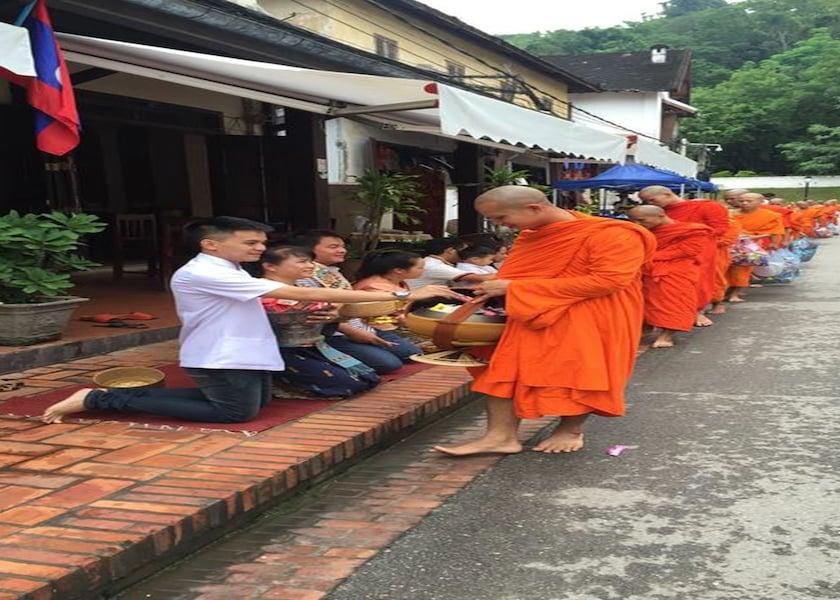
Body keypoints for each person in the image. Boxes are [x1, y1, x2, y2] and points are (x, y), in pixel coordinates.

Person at [42, 218, 456, 423]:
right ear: (211, 244)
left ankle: (111, 399)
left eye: (261, 242)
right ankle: (98, 399)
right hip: (218, 355)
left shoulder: (232, 271)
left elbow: (299, 302)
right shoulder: (204, 271)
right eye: (251, 242)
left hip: (249, 352)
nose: (260, 248)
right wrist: (398, 294)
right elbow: (300, 293)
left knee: (248, 406)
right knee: (235, 413)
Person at [434, 186, 655, 456]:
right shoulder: (533, 235)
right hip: (531, 310)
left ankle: (570, 430)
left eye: (501, 218)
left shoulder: (612, 234)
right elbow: (524, 273)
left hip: (593, 312)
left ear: (534, 208)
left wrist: (513, 288)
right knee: (504, 370)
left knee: (578, 372)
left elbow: (609, 281)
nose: (499, 226)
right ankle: (499, 437)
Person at [289, 230, 422, 374]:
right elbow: (317, 313)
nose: (342, 250)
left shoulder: (332, 271)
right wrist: (354, 332)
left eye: (342, 246)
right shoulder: (303, 275)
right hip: (334, 333)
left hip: (360, 325)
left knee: (411, 353)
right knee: (389, 364)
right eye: (333, 247)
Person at [258, 246, 379, 398]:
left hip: (313, 344)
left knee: (368, 377)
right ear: (270, 266)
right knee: (350, 384)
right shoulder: (259, 288)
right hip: (278, 349)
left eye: (310, 262)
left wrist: (333, 309)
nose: (310, 266)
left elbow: (337, 297)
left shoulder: (302, 286)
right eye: (302, 262)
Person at [638, 186, 726, 327]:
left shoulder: (706, 206)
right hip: (664, 249)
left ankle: (697, 311)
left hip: (698, 247)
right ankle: (662, 316)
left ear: (667, 194)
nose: (650, 203)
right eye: (646, 201)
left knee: (698, 280)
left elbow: (720, 229)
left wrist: (688, 231)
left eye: (652, 200)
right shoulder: (655, 213)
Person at [627, 206, 714, 348]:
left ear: (661, 215)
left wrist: (649, 257)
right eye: (633, 220)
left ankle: (667, 335)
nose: (637, 224)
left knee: (674, 301)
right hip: (646, 269)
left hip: (676, 270)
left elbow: (688, 250)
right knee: (644, 302)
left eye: (641, 220)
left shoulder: (693, 230)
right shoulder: (645, 231)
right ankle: (645, 328)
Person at [727, 193, 785, 303]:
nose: (744, 203)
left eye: (749, 201)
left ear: (760, 202)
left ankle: (735, 292)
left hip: (752, 246)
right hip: (731, 243)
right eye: (742, 201)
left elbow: (775, 231)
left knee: (742, 268)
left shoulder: (771, 215)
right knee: (727, 269)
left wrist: (773, 243)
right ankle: (726, 292)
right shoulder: (730, 214)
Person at [352, 249, 424, 332]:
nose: (424, 270)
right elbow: (374, 319)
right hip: (373, 330)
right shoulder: (374, 287)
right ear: (399, 270)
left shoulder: (398, 282)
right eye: (420, 268)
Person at [405, 238, 495, 288]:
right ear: (450, 251)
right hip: (417, 302)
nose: (467, 253)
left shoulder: (431, 261)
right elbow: (479, 278)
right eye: (464, 250)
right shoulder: (435, 266)